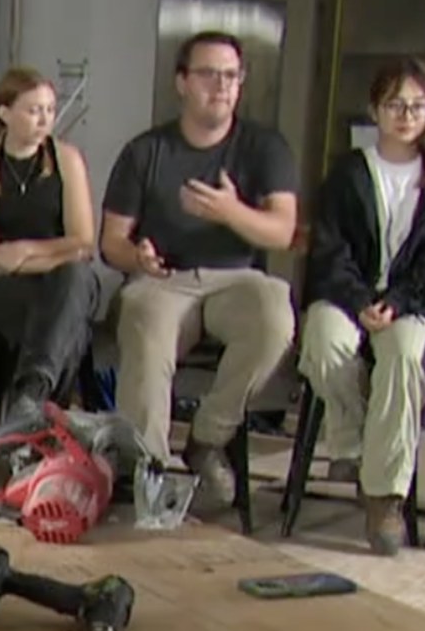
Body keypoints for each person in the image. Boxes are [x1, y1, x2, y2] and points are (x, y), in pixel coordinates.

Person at [101, 30, 301, 512]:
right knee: (145, 325)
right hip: (163, 280)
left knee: (275, 315)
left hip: (237, 279)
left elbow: (281, 232)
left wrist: (230, 212)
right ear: (182, 83)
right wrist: (138, 257)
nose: (222, 86)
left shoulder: (264, 147)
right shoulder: (145, 152)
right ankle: (148, 471)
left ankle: (209, 436)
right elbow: (111, 242)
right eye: (209, 74)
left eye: (231, 76)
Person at [298, 59, 425, 556]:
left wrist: (395, 302)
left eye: (417, 105)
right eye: (395, 104)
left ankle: (384, 496)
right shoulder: (348, 172)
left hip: (413, 304)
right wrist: (359, 300)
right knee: (323, 339)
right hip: (349, 295)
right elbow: (329, 252)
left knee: (405, 356)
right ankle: (353, 443)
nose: (406, 115)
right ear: (375, 110)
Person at [0, 67, 101, 424]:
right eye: (34, 110)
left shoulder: (66, 159)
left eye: (50, 110)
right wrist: (52, 254)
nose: (45, 119)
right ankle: (39, 425)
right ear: (5, 114)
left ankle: (30, 396)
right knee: (70, 327)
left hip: (59, 281)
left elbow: (83, 244)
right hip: (1, 288)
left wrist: (23, 253)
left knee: (73, 279)